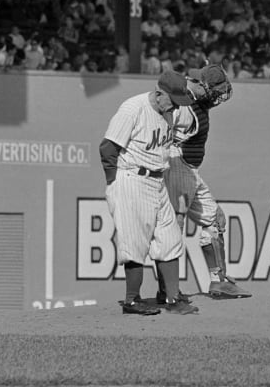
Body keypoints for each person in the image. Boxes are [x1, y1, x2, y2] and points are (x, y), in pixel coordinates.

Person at [99, 70, 198, 315]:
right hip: (132, 178)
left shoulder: (168, 112)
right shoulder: (133, 109)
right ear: (159, 94)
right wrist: (115, 184)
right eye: (173, 102)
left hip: (156, 180)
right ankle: (132, 300)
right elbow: (107, 149)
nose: (175, 108)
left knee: (169, 237)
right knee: (135, 242)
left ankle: (173, 298)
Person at [164, 64, 252, 300]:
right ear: (202, 85)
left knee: (215, 219)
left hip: (189, 171)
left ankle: (218, 281)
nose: (218, 96)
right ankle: (168, 290)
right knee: (174, 228)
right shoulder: (183, 104)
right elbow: (167, 134)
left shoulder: (197, 98)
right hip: (177, 167)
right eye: (215, 90)